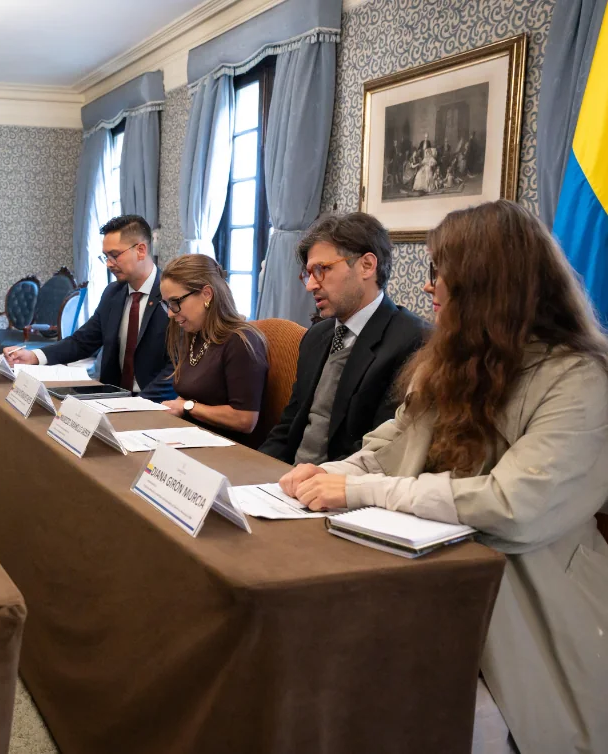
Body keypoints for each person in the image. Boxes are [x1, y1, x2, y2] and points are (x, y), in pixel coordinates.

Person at [280, 200, 608, 754]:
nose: (428, 286)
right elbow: (385, 451)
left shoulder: (579, 378)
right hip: (426, 582)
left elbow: (513, 507)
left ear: (487, 284)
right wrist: (321, 475)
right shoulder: (449, 362)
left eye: (440, 272)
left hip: (526, 605)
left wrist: (357, 488)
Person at [258, 212, 426, 465]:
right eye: (308, 273)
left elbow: (380, 450)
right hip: (286, 477)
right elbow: (288, 427)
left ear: (367, 266)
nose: (310, 285)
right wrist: (253, 471)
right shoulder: (317, 336)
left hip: (340, 482)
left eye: (322, 269)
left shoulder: (413, 341)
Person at [4, 214, 175, 401]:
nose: (109, 264)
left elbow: (175, 367)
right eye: (106, 257)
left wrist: (138, 404)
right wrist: (34, 356)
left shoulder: (172, 296)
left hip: (154, 403)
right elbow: (83, 341)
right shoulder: (113, 293)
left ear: (141, 250)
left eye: (115, 255)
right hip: (112, 398)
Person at [157, 254, 268, 444]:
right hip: (193, 439)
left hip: (228, 449)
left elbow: (245, 419)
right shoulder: (195, 334)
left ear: (206, 294)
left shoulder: (240, 341)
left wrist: (187, 407)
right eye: (167, 304)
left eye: (176, 302)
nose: (170, 313)